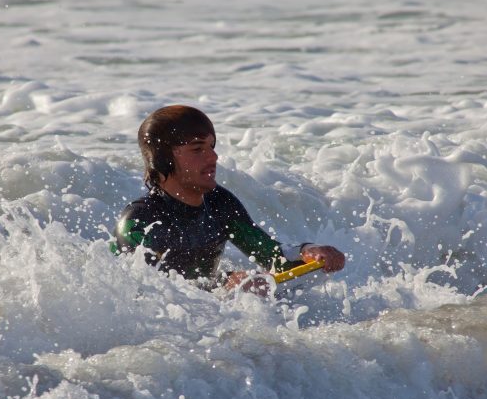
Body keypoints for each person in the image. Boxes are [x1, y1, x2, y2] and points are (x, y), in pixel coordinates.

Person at [113, 105, 345, 292]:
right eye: (198, 149)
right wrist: (225, 283)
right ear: (162, 158)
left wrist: (309, 252)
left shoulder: (218, 203)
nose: (213, 157)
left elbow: (273, 258)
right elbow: (151, 294)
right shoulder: (139, 221)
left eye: (212, 147)